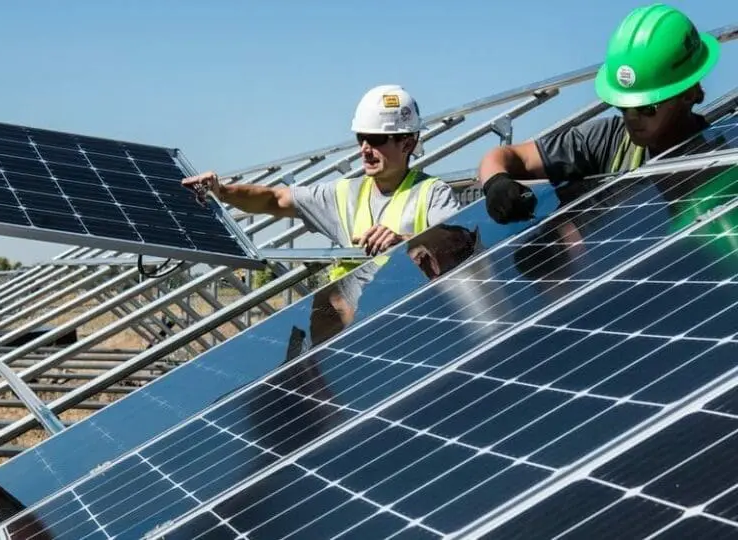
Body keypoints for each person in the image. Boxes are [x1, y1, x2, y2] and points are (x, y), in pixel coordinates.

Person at [183, 84, 461, 340]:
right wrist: (222, 191)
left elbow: (458, 255)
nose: (365, 149)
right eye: (361, 138)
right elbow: (275, 199)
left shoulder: (433, 194)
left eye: (376, 139)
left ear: (408, 143)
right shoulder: (343, 193)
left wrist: (403, 242)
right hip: (344, 328)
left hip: (407, 326)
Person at [478, 3, 720, 224]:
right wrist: (496, 183)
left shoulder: (722, 158)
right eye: (623, 106)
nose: (632, 118)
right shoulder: (605, 139)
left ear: (688, 94)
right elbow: (509, 156)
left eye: (646, 107)